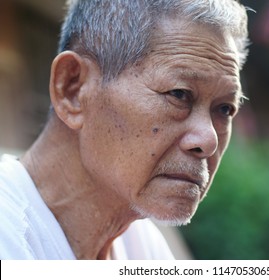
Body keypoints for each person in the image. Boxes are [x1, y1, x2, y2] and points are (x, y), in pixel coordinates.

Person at [0, 0, 249, 260]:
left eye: (224, 110)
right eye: (179, 94)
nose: (208, 140)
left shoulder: (141, 246)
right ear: (72, 90)